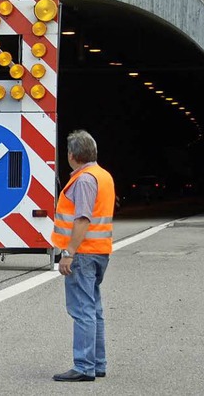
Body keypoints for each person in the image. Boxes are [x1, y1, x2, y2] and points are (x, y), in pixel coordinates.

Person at [51, 129, 115, 382]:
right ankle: (97, 363)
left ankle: (84, 366)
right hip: (99, 252)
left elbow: (82, 219)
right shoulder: (103, 176)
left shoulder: (85, 180)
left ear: (72, 155)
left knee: (82, 311)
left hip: (84, 253)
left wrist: (68, 253)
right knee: (94, 309)